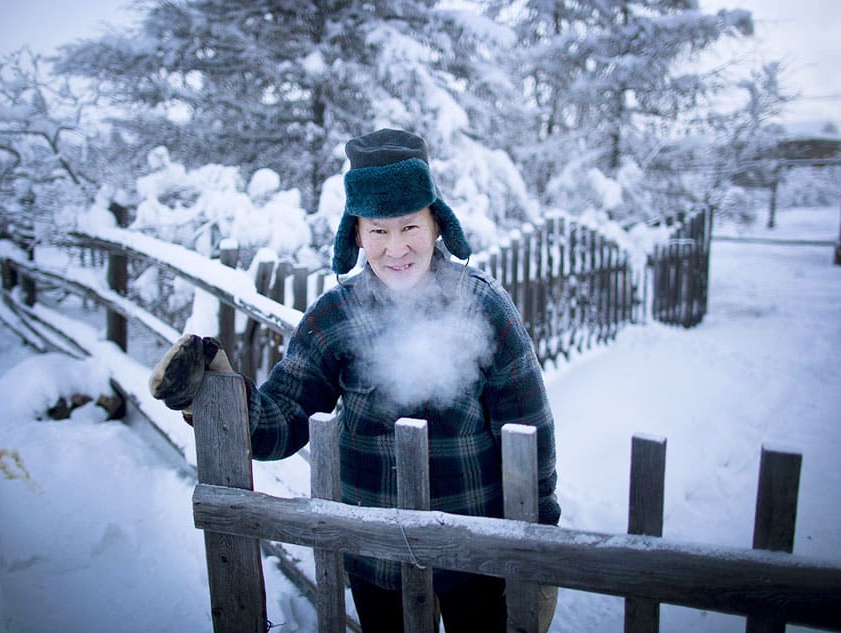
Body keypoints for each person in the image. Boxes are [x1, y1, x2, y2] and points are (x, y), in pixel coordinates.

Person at [150, 129, 559, 632]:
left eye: (409, 227)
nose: (396, 248)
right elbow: (282, 422)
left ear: (436, 224)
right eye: (378, 231)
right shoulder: (334, 317)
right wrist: (214, 393)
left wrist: (542, 545)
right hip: (375, 555)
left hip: (473, 551)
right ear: (357, 234)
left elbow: (529, 429)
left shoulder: (484, 306)